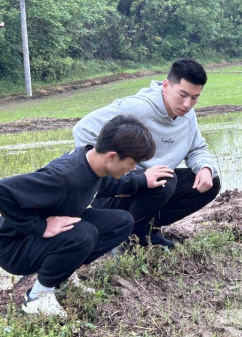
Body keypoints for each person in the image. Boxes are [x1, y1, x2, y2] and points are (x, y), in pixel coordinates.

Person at [0, 115, 156, 317]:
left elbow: (106, 184)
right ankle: (37, 297)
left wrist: (141, 181)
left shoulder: (93, 163)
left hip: (38, 239)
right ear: (112, 156)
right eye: (132, 162)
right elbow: (3, 190)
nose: (133, 168)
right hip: (14, 248)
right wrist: (40, 226)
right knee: (84, 233)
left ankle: (63, 273)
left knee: (121, 222)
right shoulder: (64, 176)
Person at [73, 58, 221, 249]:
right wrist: (120, 178)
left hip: (152, 189)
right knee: (165, 179)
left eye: (194, 97)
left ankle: (145, 231)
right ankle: (123, 237)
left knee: (210, 183)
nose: (187, 104)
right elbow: (82, 130)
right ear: (166, 85)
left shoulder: (187, 116)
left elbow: (197, 148)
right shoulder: (137, 108)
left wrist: (205, 168)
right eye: (182, 94)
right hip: (116, 194)